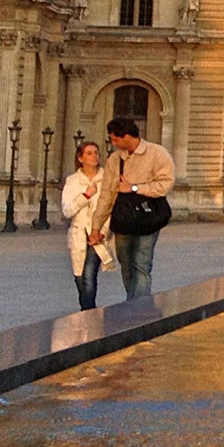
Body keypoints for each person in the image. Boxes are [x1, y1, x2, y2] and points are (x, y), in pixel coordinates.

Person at [90, 116, 175, 301]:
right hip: (124, 220)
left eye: (115, 138)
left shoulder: (158, 154)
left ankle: (138, 308)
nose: (112, 142)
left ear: (127, 136)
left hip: (148, 219)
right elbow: (106, 194)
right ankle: (133, 300)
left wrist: (135, 188)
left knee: (142, 264)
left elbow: (165, 185)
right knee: (126, 263)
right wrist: (96, 226)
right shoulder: (115, 160)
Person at [60, 140, 116, 311]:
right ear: (80, 158)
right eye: (89, 153)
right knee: (79, 277)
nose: (94, 156)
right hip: (78, 234)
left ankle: (88, 313)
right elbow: (67, 211)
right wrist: (85, 196)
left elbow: (112, 208)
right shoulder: (72, 181)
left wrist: (102, 232)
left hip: (98, 233)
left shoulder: (107, 178)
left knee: (89, 275)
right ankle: (87, 310)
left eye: (96, 153)